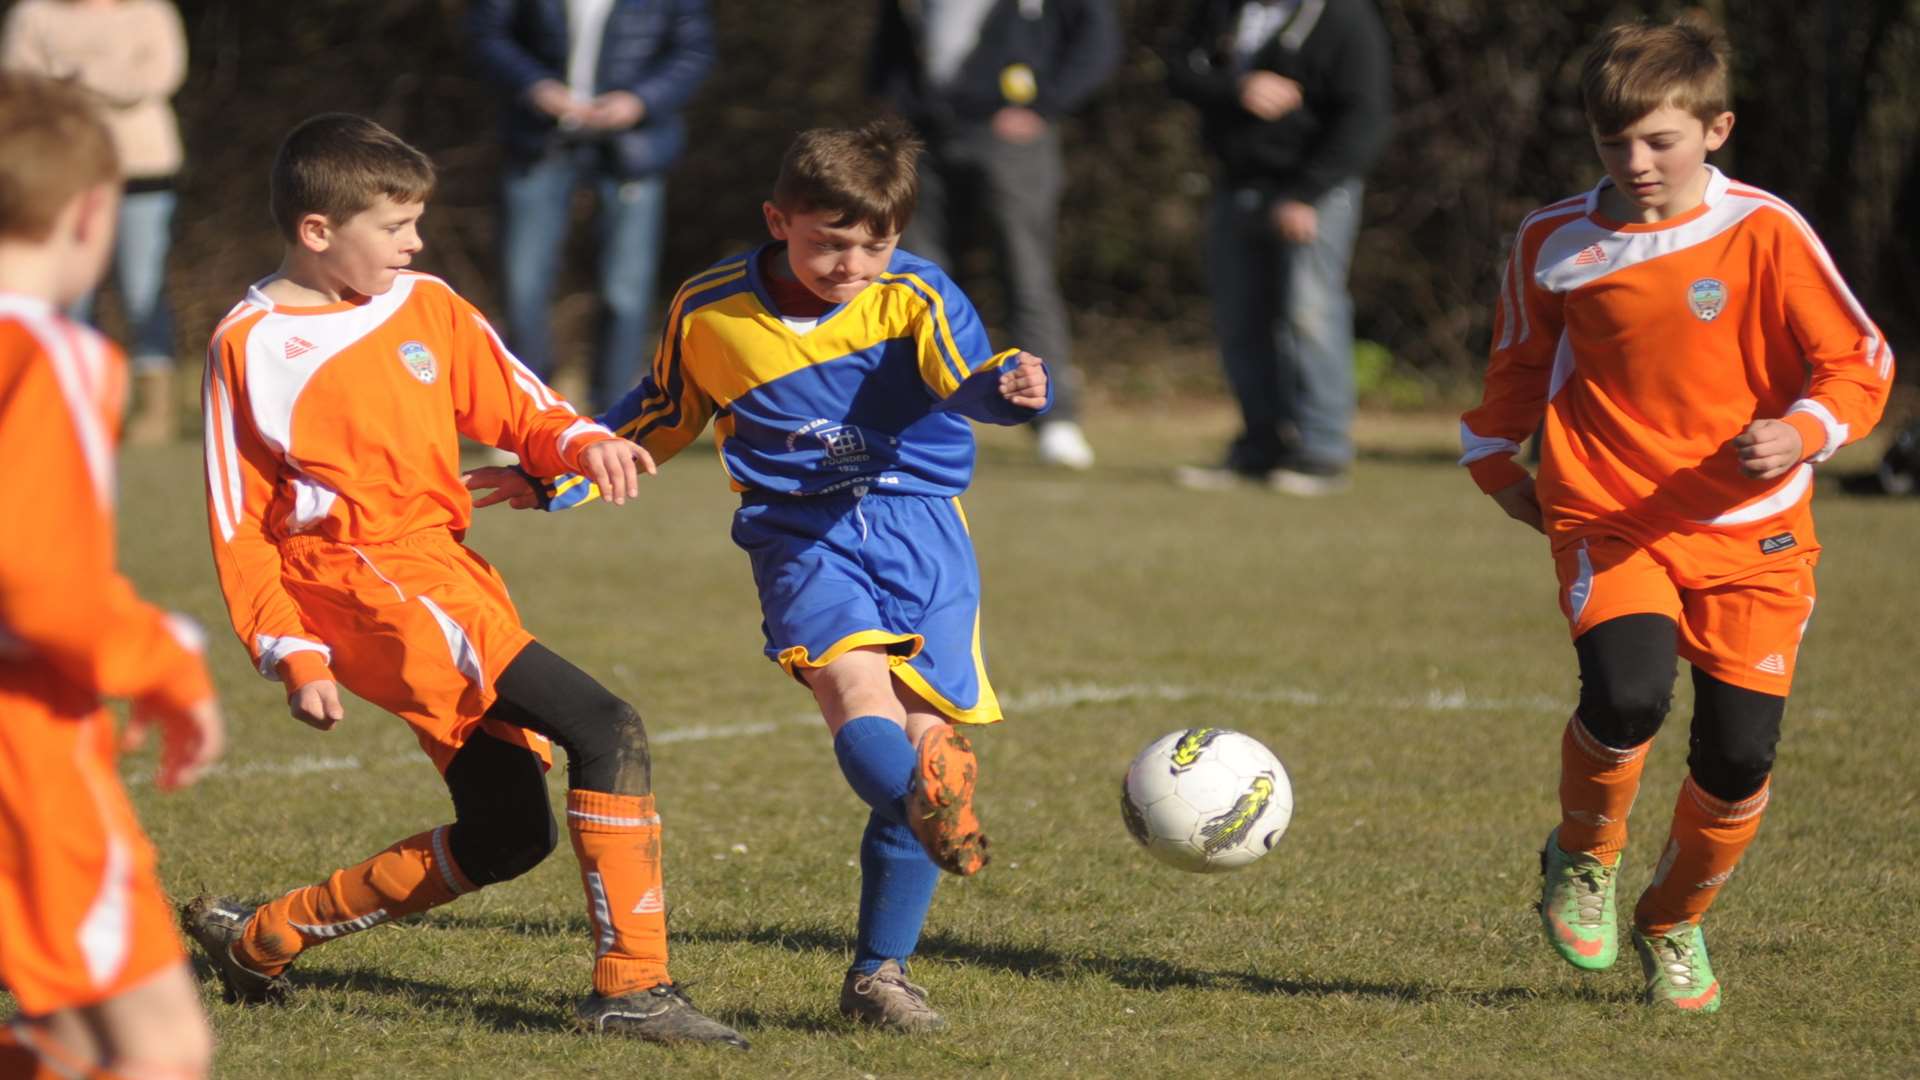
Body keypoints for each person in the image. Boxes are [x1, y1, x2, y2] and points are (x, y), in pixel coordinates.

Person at [466, 118, 1052, 1032]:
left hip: (924, 530)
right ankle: (922, 815)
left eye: (876, 244)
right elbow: (659, 412)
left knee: (925, 739)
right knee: (857, 694)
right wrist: (551, 474)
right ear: (779, 220)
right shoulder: (711, 309)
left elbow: (962, 379)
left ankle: (879, 977)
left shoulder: (915, 294)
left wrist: (1007, 388)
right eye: (831, 242)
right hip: (799, 532)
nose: (853, 264)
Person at [183, 113, 747, 1049]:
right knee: (605, 726)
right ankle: (633, 988)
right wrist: (293, 653)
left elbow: (519, 402)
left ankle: (261, 936)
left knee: (507, 833)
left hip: (447, 575)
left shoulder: (427, 303)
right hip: (363, 585)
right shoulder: (251, 343)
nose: (415, 243)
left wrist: (584, 442)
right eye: (395, 227)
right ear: (318, 231)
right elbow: (236, 523)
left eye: (416, 224)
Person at [1459, 17, 1893, 1012]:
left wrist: (1805, 430)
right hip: (1612, 513)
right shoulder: (1553, 240)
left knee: (1738, 758)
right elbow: (1518, 366)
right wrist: (1492, 458)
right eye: (1616, 143)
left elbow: (1859, 360)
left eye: (1660, 140)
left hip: (1758, 532)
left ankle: (1675, 918)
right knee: (1628, 694)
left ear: (1717, 130)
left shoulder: (1767, 231)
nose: (1637, 162)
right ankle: (1585, 853)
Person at [0, 72, 225, 1079]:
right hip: (23, 750)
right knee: (158, 1047)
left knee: (73, 1038)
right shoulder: (51, 355)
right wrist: (164, 659)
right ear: (95, 211)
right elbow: (36, 580)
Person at [868, 0, 1115, 470]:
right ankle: (912, 411)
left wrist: (1045, 105)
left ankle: (1053, 416)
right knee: (912, 279)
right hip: (923, 135)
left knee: (1026, 273)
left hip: (1010, 134)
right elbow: (889, 49)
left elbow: (1096, 46)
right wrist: (894, 104)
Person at [1166, 0, 1391, 495]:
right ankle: (1259, 446)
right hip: (1236, 185)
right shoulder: (1222, 11)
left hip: (1313, 193)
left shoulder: (1344, 18)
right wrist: (1235, 87)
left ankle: (1322, 450)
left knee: (1310, 313)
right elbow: (1177, 69)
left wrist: (1306, 193)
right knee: (1240, 321)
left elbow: (1366, 117)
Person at [468, 0, 714, 413]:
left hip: (633, 148)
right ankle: (527, 411)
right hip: (538, 142)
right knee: (522, 283)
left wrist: (640, 100)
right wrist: (535, 87)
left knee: (625, 290)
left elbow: (693, 51)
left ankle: (615, 414)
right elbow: (487, 34)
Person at [1, 0, 189, 446]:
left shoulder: (151, 13)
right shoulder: (34, 15)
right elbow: (21, 83)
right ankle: (68, 397)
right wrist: (104, 80)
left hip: (143, 169)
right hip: (62, 169)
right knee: (68, 295)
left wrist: (72, 77)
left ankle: (153, 411)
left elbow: (155, 79)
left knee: (145, 288)